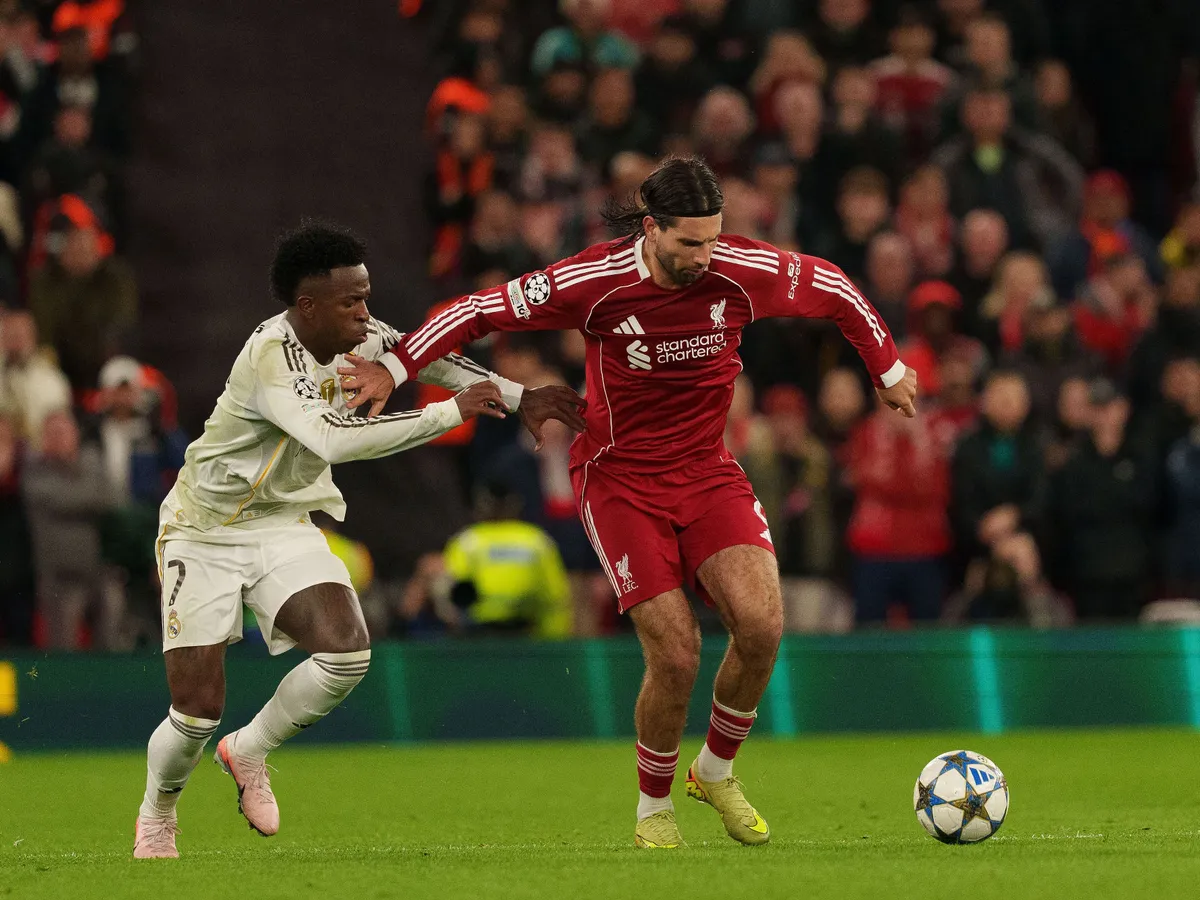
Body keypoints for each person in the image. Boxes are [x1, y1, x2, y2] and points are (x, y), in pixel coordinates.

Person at [339, 157, 917, 849]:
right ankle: (654, 809)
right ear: (652, 228)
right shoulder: (594, 282)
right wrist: (394, 367)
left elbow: (830, 285)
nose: (705, 257)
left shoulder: (738, 269)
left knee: (761, 626)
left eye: (713, 240)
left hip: (707, 472)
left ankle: (714, 770)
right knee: (675, 654)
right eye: (689, 244)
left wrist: (886, 367)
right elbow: (475, 309)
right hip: (620, 482)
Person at [132, 222, 585, 859]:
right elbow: (334, 440)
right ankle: (158, 814)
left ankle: (250, 749)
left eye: (366, 297)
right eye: (352, 301)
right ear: (307, 306)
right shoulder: (270, 355)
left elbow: (429, 359)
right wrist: (448, 415)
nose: (366, 313)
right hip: (202, 532)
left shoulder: (362, 335)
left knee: (347, 655)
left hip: (281, 522)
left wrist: (518, 396)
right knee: (197, 710)